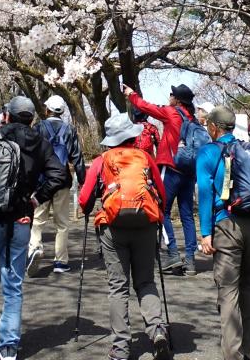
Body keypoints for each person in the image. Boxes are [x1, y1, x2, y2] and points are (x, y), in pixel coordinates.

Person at [0, 96, 67, 360]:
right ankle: (8, 346)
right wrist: (36, 198)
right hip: (20, 219)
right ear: (32, 119)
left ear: (7, 115)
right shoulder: (40, 143)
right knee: (13, 284)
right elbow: (59, 174)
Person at [79, 112, 171, 360]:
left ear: (111, 139)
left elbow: (85, 198)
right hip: (145, 224)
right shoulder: (145, 158)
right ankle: (157, 331)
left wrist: (88, 209)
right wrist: (158, 216)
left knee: (118, 287)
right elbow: (161, 193)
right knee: (146, 282)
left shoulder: (101, 160)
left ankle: (120, 348)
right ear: (132, 136)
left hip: (113, 227)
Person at [197, 105, 250, 360]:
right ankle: (248, 346)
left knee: (228, 290)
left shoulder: (208, 152)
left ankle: (233, 354)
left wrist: (205, 232)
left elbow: (204, 192)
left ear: (214, 127)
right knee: (248, 286)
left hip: (227, 225)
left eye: (208, 126)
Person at [123, 82, 198, 275]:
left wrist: (131, 94)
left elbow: (147, 107)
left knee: (160, 209)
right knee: (187, 215)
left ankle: (172, 253)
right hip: (189, 173)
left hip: (171, 169)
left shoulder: (172, 113)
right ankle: (190, 260)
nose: (169, 96)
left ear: (177, 100)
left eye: (172, 94)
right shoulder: (193, 120)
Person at [27, 94, 86, 275]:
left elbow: (31, 155)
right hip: (62, 181)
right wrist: (83, 180)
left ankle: (35, 248)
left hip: (42, 182)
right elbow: (77, 157)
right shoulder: (69, 130)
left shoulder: (38, 128)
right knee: (62, 224)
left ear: (47, 110)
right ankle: (60, 261)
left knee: (37, 221)